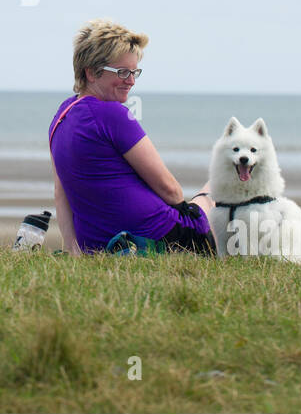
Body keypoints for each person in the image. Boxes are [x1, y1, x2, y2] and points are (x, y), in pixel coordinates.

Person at [48, 18, 216, 256]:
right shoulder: (112, 113)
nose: (131, 81)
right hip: (155, 236)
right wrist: (191, 220)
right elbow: (170, 190)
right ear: (91, 73)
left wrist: (74, 250)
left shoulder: (61, 115)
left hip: (96, 244)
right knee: (215, 189)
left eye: (134, 72)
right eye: (122, 72)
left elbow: (60, 192)